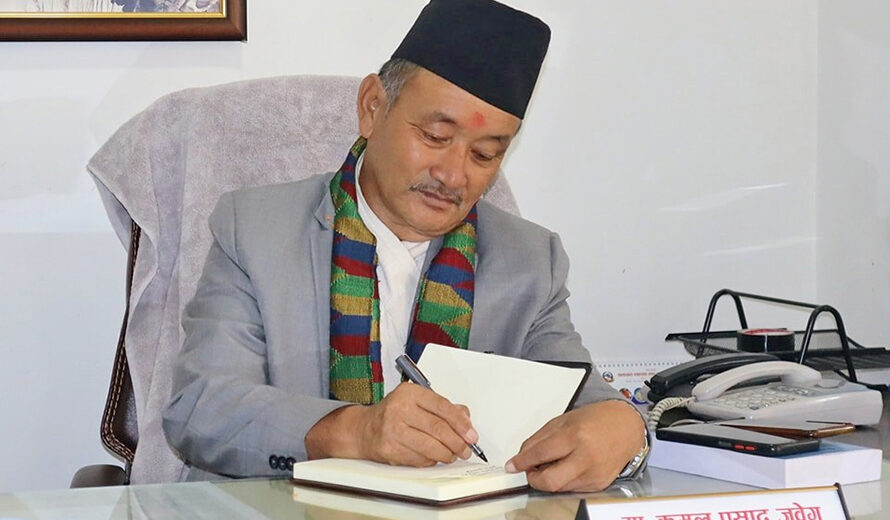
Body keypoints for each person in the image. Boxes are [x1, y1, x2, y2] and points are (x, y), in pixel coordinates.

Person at [162, 0, 648, 493]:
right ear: (372, 107)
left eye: (484, 155)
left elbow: (588, 400)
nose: (453, 176)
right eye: (435, 136)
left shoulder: (529, 261)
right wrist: (357, 431)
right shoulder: (257, 230)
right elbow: (203, 410)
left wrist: (626, 431)